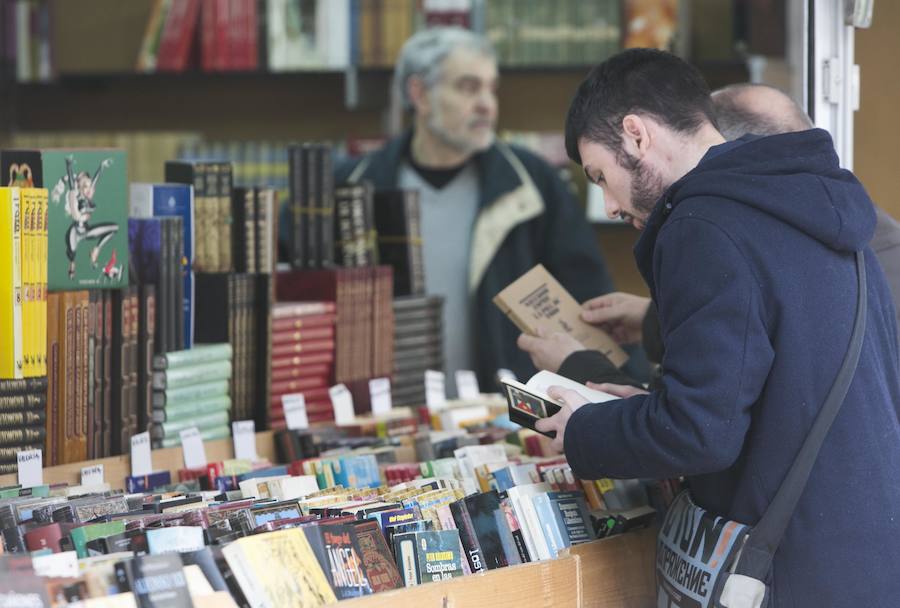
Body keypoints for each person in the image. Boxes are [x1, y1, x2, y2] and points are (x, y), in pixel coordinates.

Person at [537, 48, 900, 606]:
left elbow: (699, 433)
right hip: (863, 554)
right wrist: (639, 407)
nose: (609, 204)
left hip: (785, 573)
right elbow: (767, 395)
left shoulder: (703, 226)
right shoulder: (817, 204)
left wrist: (585, 429)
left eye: (600, 176)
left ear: (635, 135)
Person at [296, 27, 619, 388]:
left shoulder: (533, 183)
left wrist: (617, 398)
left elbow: (590, 299)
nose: (487, 104)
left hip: (506, 416)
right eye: (468, 87)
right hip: (380, 412)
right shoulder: (349, 185)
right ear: (419, 94)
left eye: (491, 88)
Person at [519, 82, 900, 379]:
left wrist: (579, 370)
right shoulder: (846, 235)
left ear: (741, 154)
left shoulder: (756, 244)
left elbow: (709, 423)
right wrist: (655, 320)